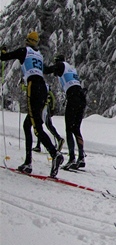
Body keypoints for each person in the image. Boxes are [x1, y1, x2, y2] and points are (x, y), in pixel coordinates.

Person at [1, 32, 64, 177]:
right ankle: (28, 162)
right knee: (27, 124)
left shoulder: (24, 51)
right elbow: (46, 70)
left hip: (33, 86)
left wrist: (3, 50)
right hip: (42, 87)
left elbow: (4, 57)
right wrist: (57, 67)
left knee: (36, 127)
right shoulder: (38, 55)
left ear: (27, 41)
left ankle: (55, 154)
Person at [44, 54, 87, 170]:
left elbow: (48, 70)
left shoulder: (61, 65)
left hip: (73, 96)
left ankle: (72, 158)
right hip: (81, 97)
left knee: (69, 129)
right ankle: (81, 157)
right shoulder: (71, 68)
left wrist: (40, 65)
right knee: (76, 129)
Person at [33, 85, 64, 153]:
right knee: (40, 127)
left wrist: (52, 108)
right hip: (44, 108)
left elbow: (51, 97)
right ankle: (38, 145)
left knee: (48, 126)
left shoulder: (43, 87)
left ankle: (59, 139)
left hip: (44, 109)